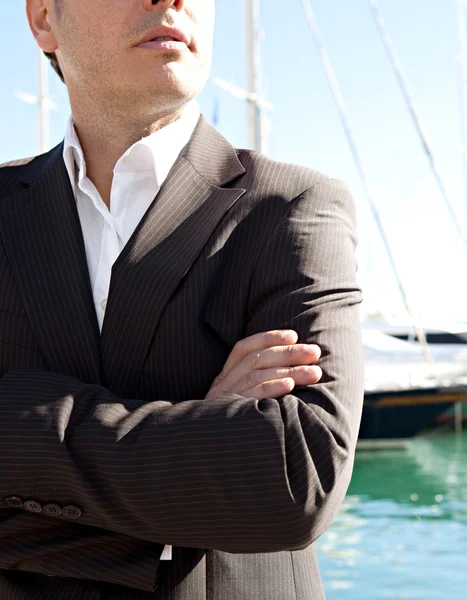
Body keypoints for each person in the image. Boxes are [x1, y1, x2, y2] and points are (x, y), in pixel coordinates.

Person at [0, 0, 364, 598]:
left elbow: (294, 481)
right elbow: (244, 477)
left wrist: (17, 421)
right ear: (43, 18)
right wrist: (204, 427)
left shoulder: (294, 207)